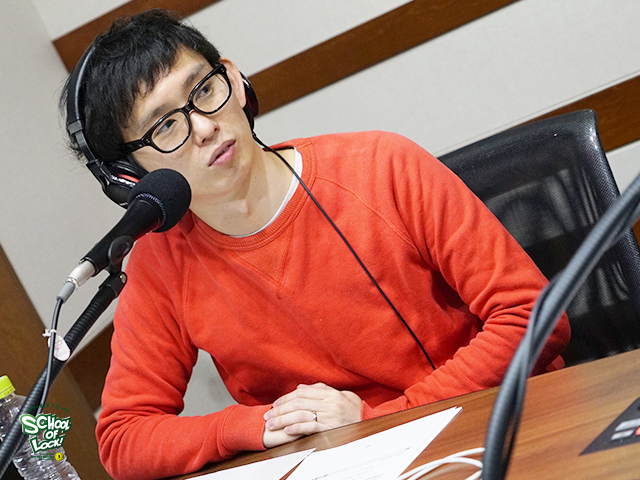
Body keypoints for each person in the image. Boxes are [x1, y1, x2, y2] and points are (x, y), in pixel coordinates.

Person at [60, 9, 570, 480]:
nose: (205, 127)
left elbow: (533, 315)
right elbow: (124, 438)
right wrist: (252, 426)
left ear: (235, 81)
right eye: (166, 125)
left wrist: (383, 419)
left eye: (204, 90)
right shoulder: (160, 262)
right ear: (128, 175)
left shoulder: (382, 166)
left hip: (494, 428)